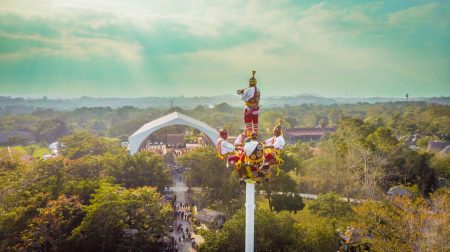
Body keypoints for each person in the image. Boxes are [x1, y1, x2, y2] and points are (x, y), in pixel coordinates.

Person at [237, 71, 260, 137]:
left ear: (249, 83)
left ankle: (249, 136)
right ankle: (255, 136)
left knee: (248, 124)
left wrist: (242, 92)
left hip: (248, 108)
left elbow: (243, 98)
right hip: (256, 109)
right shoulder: (258, 90)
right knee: (255, 124)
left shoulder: (248, 90)